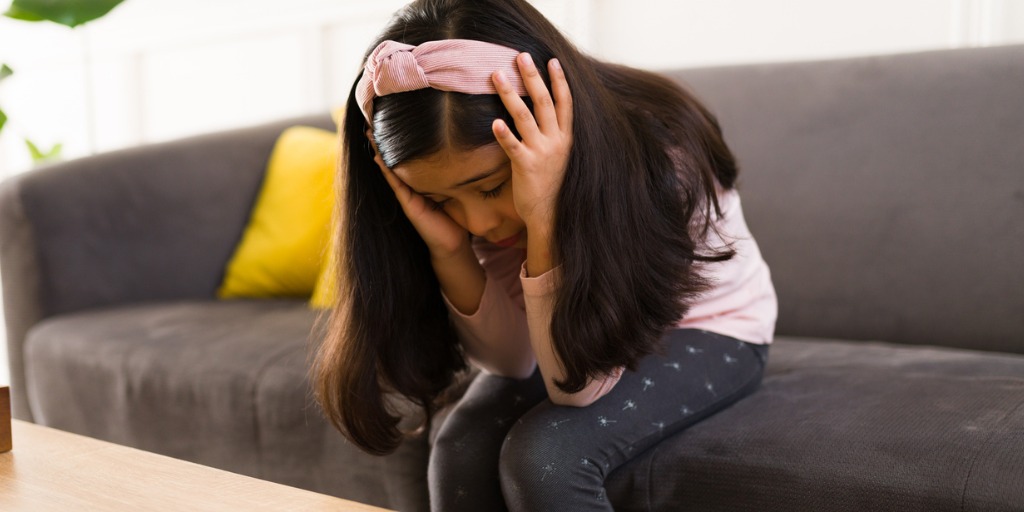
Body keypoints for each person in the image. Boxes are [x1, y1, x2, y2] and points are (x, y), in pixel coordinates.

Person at [311, 0, 777, 510]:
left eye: (490, 187)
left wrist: (545, 217)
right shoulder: (469, 224)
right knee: (458, 445)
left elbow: (577, 390)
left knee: (546, 455)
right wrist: (450, 253)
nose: (477, 224)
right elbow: (513, 361)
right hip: (565, 337)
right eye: (443, 200)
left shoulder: (661, 151)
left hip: (711, 327)